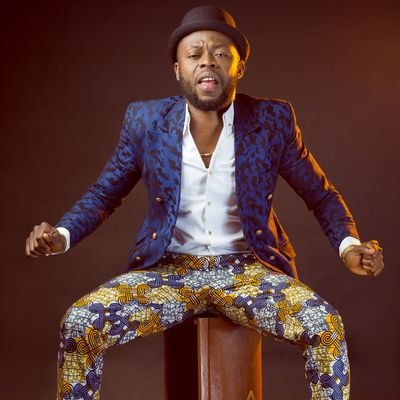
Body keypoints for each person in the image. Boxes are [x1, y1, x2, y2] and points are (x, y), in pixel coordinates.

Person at [25, 6, 384, 400]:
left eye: (220, 53)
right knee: (80, 323)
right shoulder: (146, 122)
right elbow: (104, 193)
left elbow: (320, 194)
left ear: (239, 67)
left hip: (249, 271)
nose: (207, 61)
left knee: (325, 326)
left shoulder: (273, 120)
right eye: (194, 54)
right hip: (169, 273)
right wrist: (61, 235)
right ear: (178, 69)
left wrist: (349, 246)